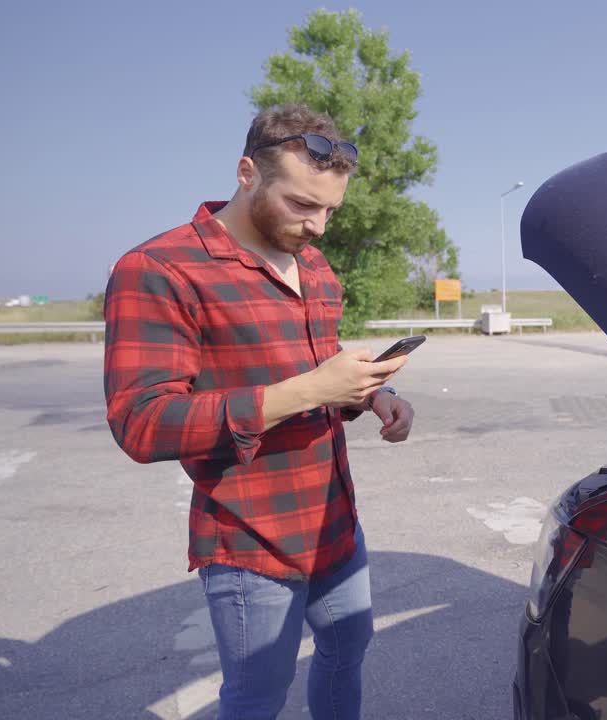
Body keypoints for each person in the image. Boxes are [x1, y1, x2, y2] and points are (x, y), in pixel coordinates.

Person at [103, 103, 415, 720]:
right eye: (303, 205)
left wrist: (370, 393)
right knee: (256, 697)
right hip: (251, 536)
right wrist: (311, 388)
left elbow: (312, 362)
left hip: (333, 516)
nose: (319, 226)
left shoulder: (317, 269)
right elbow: (140, 422)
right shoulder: (161, 269)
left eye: (330, 209)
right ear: (248, 172)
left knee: (347, 651)